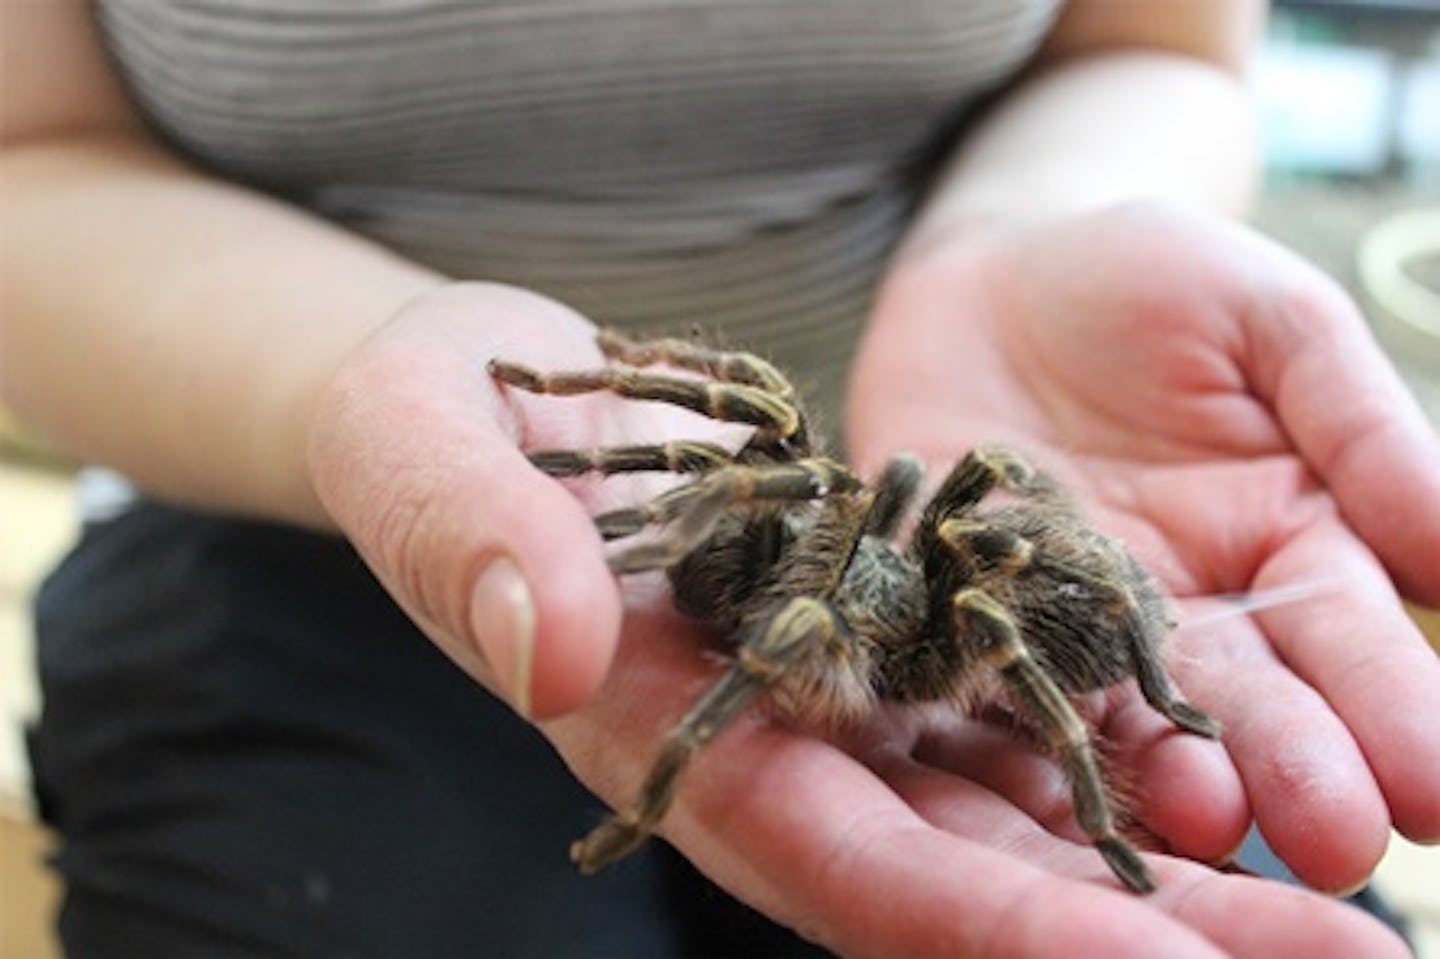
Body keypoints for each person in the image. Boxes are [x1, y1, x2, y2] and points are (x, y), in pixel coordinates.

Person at [3, 1, 1437, 956]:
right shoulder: (766, 490)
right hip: (249, 509)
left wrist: (1029, 236)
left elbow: (1156, 44)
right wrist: (501, 387)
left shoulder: (902, 609)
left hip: (928, 456)